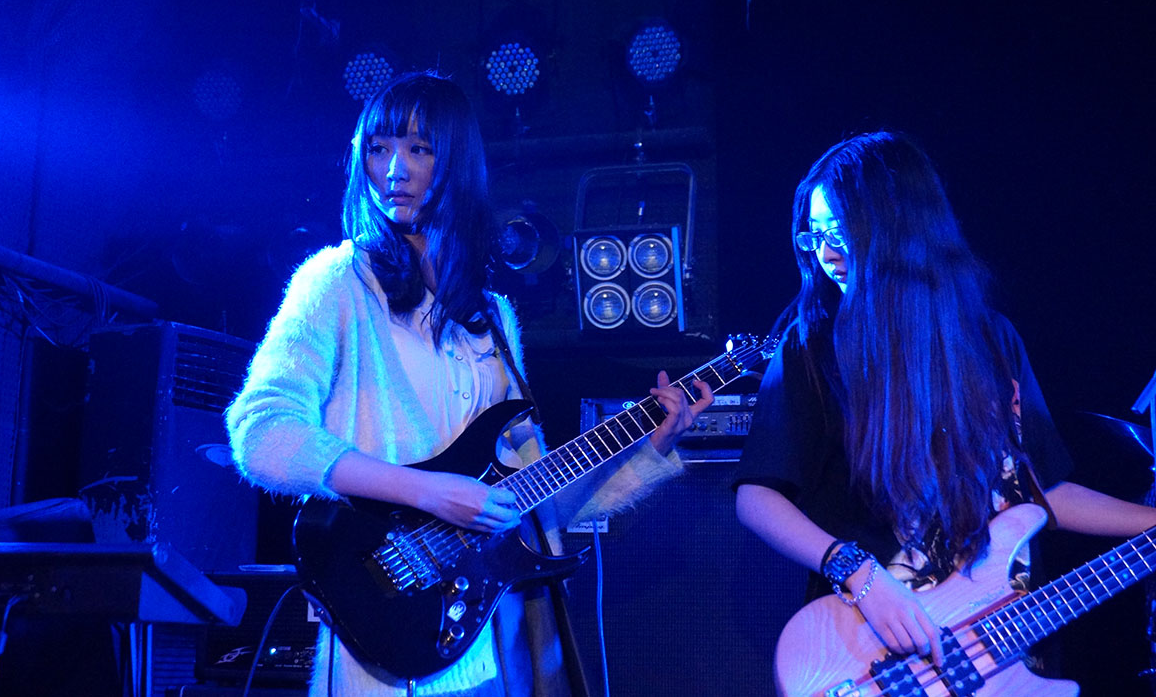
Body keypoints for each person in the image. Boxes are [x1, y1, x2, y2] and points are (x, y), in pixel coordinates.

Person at [226, 71, 712, 696]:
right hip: (389, 633)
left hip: (490, 642)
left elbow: (534, 505)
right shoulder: (338, 282)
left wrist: (650, 445)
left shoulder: (493, 319)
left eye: (418, 149)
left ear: (456, 162)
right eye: (378, 148)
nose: (394, 169)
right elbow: (261, 432)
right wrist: (427, 492)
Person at [734, 131, 1156, 669]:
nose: (826, 253)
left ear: (897, 227)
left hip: (1007, 644)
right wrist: (858, 572)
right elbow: (757, 496)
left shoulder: (992, 341)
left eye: (838, 232)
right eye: (813, 236)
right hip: (878, 649)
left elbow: (1040, 492)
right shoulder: (810, 348)